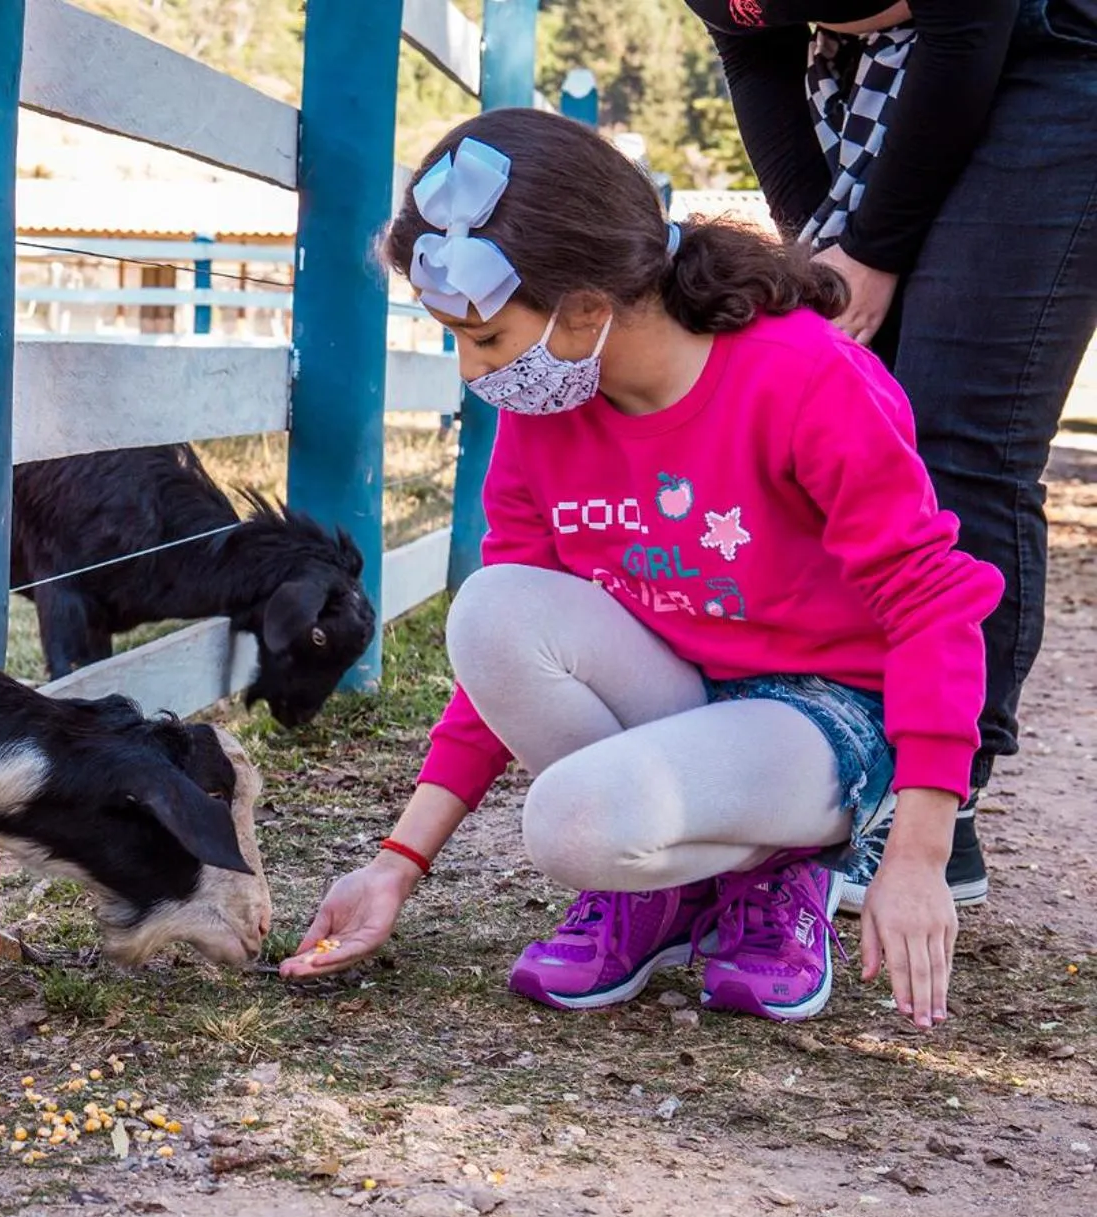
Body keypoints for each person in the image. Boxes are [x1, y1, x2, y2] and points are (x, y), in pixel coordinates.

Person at [279, 110, 1001, 1031]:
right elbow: (500, 666)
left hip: (826, 720)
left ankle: (782, 877)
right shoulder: (544, 414)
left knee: (570, 823)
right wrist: (395, 863)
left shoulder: (806, 381)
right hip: (686, 698)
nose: (471, 371)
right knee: (491, 609)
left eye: (489, 339)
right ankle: (661, 893)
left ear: (586, 309)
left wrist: (918, 854)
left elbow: (932, 606)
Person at [686, 0, 1097, 909]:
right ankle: (849, 751)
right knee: (862, 413)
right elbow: (755, 53)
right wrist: (822, 254)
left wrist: (874, 246)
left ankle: (938, 811)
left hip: (1059, 53)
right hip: (884, 69)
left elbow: (968, 25)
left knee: (958, 434)